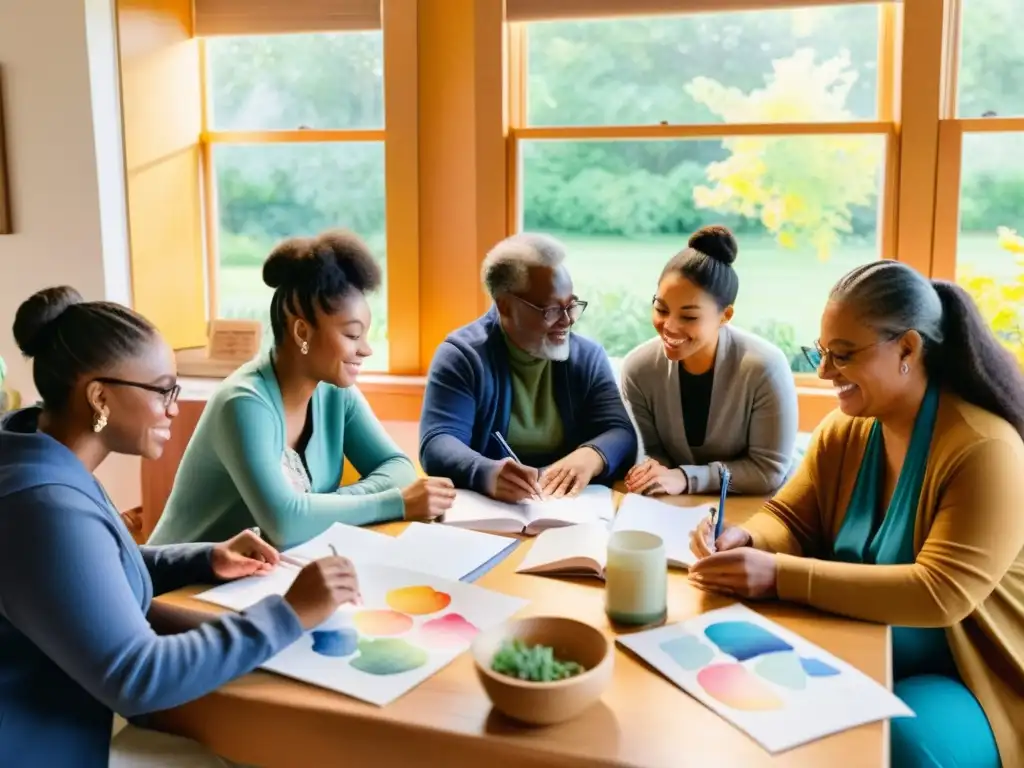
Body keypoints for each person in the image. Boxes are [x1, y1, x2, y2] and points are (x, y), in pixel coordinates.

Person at [0, 286, 360, 766]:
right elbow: (139, 677)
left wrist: (203, 556)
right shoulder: (43, 506)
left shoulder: (38, 456)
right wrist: (290, 613)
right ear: (99, 396)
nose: (174, 406)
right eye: (162, 390)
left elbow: (86, 566)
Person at [688, 261, 1024, 767]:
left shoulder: (985, 449)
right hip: (864, 643)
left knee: (905, 750)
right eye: (821, 353)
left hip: (970, 673)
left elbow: (941, 594)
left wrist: (778, 575)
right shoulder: (846, 431)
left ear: (908, 349)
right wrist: (748, 540)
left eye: (842, 356)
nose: (824, 373)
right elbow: (789, 517)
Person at [150, 230, 455, 550]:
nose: (366, 349)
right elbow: (285, 524)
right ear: (301, 331)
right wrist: (395, 503)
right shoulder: (243, 404)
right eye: (352, 336)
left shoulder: (336, 392)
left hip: (255, 575)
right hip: (183, 584)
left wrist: (316, 507)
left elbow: (399, 470)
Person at [419, 233, 637, 501]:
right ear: (505, 306)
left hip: (569, 510)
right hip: (490, 517)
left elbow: (620, 432)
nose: (568, 320)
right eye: (552, 310)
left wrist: (591, 455)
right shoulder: (463, 357)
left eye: (571, 305)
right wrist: (486, 472)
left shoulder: (587, 357)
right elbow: (438, 442)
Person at [620, 226, 798, 496]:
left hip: (756, 508)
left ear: (725, 315)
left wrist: (686, 478)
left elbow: (768, 470)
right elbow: (651, 454)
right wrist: (649, 471)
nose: (669, 326)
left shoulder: (765, 367)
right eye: (661, 309)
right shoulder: (638, 369)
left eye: (689, 317)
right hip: (672, 507)